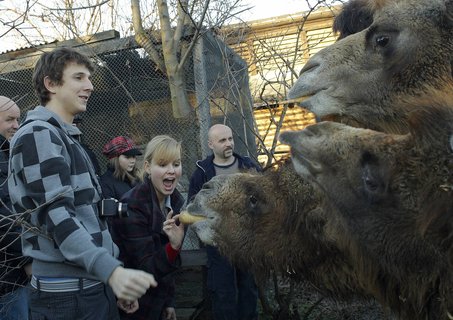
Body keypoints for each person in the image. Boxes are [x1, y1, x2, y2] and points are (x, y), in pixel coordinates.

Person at [7, 47, 157, 320]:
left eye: (88, 78)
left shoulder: (66, 137)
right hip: (67, 297)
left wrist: (110, 278)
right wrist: (112, 272)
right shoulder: (37, 135)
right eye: (78, 77)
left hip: (91, 286)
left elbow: (89, 212)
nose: (89, 86)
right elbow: (57, 217)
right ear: (50, 84)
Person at [188, 124, 260, 320]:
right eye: (222, 140)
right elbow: (192, 206)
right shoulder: (203, 172)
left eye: (230, 139)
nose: (228, 144)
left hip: (247, 243)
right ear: (211, 144)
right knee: (223, 294)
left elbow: (265, 201)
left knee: (249, 292)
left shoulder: (248, 166)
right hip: (219, 245)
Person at [110, 135, 186, 320]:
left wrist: (169, 302)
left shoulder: (174, 201)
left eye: (176, 164)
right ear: (147, 168)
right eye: (162, 164)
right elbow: (145, 267)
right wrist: (173, 247)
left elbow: (166, 264)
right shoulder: (133, 204)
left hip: (158, 300)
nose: (171, 171)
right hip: (132, 302)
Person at [0, 96, 31, 320]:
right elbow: (5, 216)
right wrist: (27, 259)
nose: (16, 125)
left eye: (18, 119)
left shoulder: (6, 154)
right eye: (10, 119)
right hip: (9, 277)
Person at [100, 135, 142, 201]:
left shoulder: (135, 179)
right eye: (127, 157)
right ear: (115, 158)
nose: (132, 161)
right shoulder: (105, 183)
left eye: (133, 156)